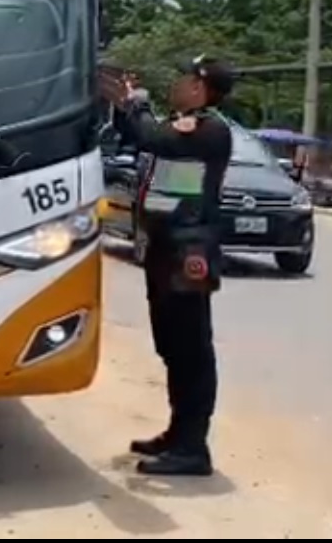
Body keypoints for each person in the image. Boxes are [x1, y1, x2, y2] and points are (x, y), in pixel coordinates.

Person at [99, 55, 235, 478]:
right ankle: (178, 435)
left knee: (192, 349)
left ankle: (194, 448)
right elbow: (138, 138)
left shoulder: (209, 128)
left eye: (184, 78)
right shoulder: (182, 122)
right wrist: (124, 107)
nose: (176, 84)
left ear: (199, 87)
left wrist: (138, 103)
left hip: (188, 250)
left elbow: (155, 138)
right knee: (172, 346)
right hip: (165, 247)